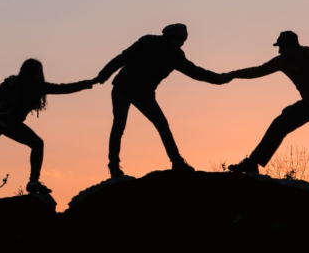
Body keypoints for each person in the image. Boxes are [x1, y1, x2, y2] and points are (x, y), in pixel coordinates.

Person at [226, 31, 309, 201]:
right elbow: (259, 70)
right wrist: (233, 74)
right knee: (280, 123)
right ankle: (253, 162)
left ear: (293, 47)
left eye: (282, 48)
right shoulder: (282, 61)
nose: (280, 52)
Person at [95, 23, 229, 178]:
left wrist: (218, 79)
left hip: (145, 94)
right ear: (169, 37)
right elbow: (123, 58)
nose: (180, 43)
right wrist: (103, 75)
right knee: (119, 125)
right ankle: (114, 166)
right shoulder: (148, 42)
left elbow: (195, 72)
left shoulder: (176, 56)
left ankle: (177, 162)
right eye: (178, 39)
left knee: (162, 124)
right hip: (123, 88)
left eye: (183, 41)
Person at [0, 58, 96, 206]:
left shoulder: (39, 88)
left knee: (37, 143)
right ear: (26, 73)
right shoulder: (11, 84)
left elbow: (63, 88)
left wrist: (88, 83)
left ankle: (33, 182)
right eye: (34, 72)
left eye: (39, 72)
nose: (37, 75)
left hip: (11, 125)